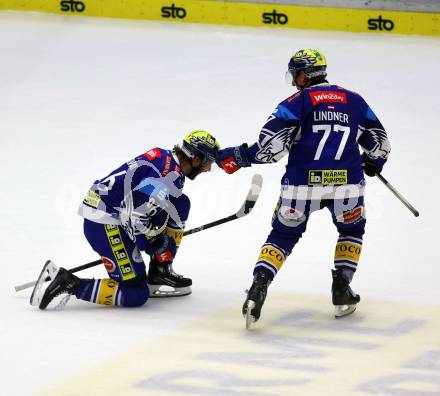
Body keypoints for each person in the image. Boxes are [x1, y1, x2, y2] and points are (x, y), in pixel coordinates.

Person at [216, 49, 390, 325]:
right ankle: (342, 287)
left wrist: (240, 156)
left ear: (302, 74)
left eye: (294, 74)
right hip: (347, 186)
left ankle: (259, 286)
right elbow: (380, 144)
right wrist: (374, 162)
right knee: (352, 229)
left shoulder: (296, 102)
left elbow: (269, 150)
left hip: (302, 186)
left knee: (283, 236)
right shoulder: (355, 101)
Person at [31, 130, 220, 310]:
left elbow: (139, 202)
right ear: (195, 158)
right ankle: (69, 283)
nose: (209, 169)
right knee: (137, 293)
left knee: (180, 203)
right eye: (208, 162)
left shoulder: (166, 158)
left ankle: (160, 270)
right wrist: (155, 243)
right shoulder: (167, 177)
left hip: (108, 210)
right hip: (104, 224)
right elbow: (135, 217)